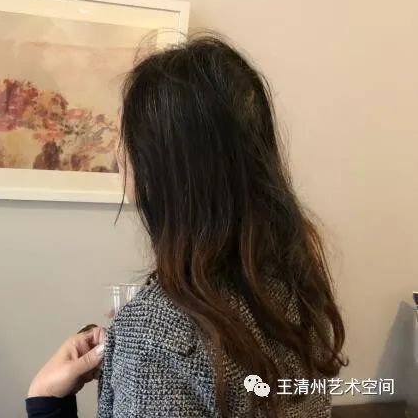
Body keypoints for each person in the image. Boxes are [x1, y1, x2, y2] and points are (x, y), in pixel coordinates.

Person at [25, 35, 347, 417]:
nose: (117, 151)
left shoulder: (155, 335)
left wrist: (46, 403)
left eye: (125, 136)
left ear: (159, 169)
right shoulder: (295, 288)